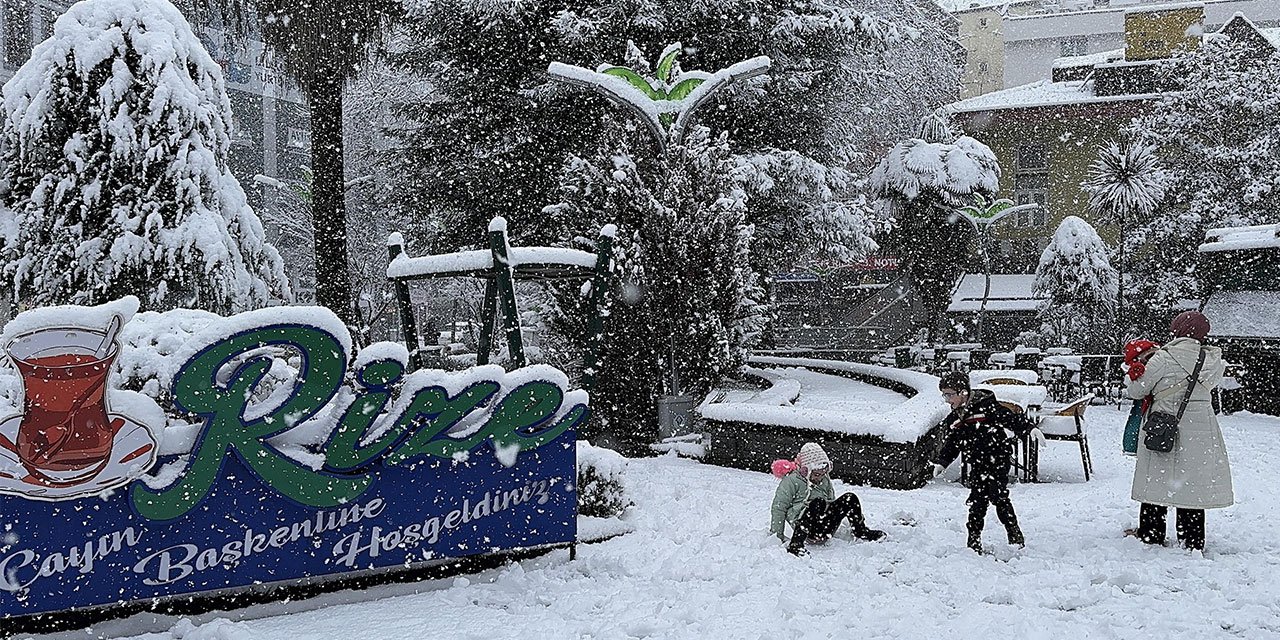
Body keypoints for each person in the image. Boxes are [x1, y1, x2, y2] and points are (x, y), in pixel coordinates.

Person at [1125, 311, 1232, 551]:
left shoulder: (1163, 357)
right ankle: (1192, 538)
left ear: (1177, 330)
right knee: (1192, 479)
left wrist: (1134, 373)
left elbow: (1137, 391)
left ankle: (1152, 533)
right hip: (1201, 427)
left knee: (1157, 477)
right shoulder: (1213, 360)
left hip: (1164, 422)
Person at [930, 371, 1042, 553]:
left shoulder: (987, 407)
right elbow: (953, 443)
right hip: (978, 463)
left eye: (949, 394)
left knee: (998, 496)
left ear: (963, 392)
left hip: (997, 459)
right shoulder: (956, 418)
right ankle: (973, 539)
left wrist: (1029, 429)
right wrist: (942, 462)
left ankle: (1014, 534)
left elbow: (1010, 419)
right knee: (977, 501)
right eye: (944, 395)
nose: (946, 399)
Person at [769, 442, 885, 556]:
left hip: (825, 525)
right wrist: (777, 536)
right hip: (807, 530)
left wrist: (834, 512)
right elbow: (779, 508)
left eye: (823, 474)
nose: (820, 478)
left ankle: (861, 531)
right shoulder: (792, 481)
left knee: (850, 498)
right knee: (817, 503)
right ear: (806, 470)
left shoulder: (824, 479)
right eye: (816, 474)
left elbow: (831, 500)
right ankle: (796, 545)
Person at [1122, 339, 1160, 456]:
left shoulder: (1140, 365)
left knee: (1137, 420)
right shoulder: (1159, 361)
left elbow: (1134, 390)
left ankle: (1132, 445)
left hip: (1146, 397)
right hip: (1151, 398)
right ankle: (1134, 445)